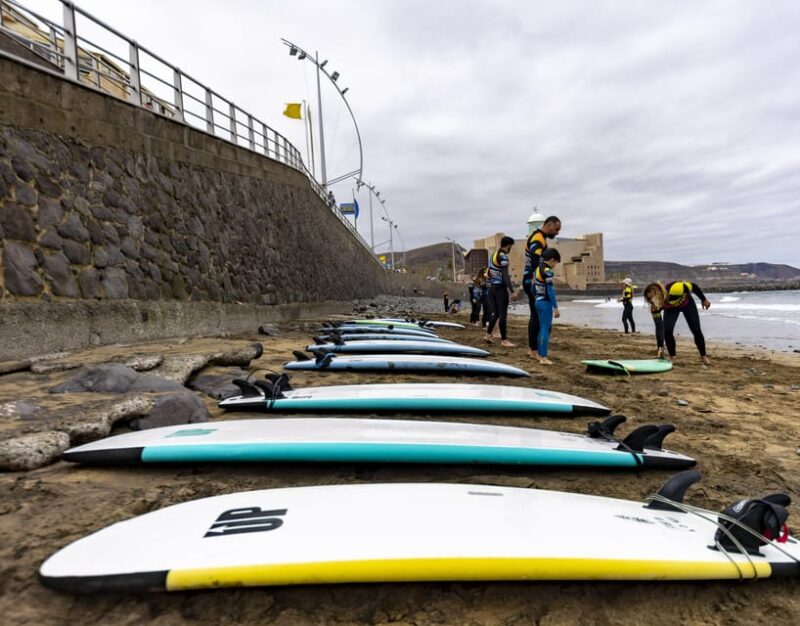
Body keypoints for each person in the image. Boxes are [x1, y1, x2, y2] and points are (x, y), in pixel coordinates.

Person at [643, 281, 711, 365]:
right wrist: (660, 351)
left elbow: (693, 286)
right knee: (667, 331)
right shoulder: (655, 307)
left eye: (653, 297)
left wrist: (703, 299)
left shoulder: (675, 288)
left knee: (696, 330)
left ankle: (703, 356)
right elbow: (659, 329)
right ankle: (673, 357)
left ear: (659, 292)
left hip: (687, 304)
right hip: (672, 309)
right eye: (650, 300)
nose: (652, 301)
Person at [522, 216, 562, 358]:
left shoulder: (539, 238)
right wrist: (536, 279)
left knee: (536, 316)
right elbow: (535, 260)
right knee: (537, 317)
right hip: (531, 280)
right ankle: (533, 350)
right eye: (556, 229)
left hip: (531, 280)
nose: (557, 233)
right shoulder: (538, 238)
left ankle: (534, 349)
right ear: (549, 225)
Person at [484, 236, 518, 346]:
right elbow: (505, 276)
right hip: (500, 289)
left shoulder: (493, 255)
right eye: (511, 247)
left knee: (496, 313)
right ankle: (504, 340)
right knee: (503, 314)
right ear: (508, 245)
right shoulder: (503, 256)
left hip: (492, 287)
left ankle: (488, 335)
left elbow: (489, 272)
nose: (510, 249)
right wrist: (512, 291)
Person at [534, 248, 561, 365]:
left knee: (542, 328)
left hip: (537, 301)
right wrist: (555, 307)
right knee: (545, 328)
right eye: (556, 262)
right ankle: (544, 358)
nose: (555, 265)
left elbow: (532, 287)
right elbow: (550, 290)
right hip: (545, 303)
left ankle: (540, 354)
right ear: (552, 260)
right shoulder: (547, 271)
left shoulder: (536, 270)